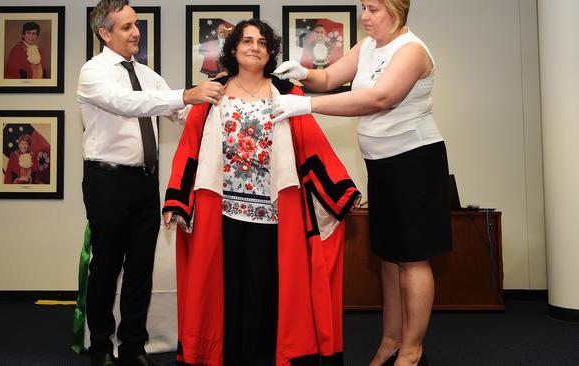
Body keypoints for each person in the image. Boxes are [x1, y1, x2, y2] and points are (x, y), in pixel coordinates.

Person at [162, 19, 360, 366]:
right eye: (247, 40)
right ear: (233, 48)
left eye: (262, 42)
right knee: (226, 290)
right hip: (221, 211)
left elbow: (311, 142)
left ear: (270, 51)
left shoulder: (287, 92)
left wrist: (340, 190)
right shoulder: (212, 92)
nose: (254, 47)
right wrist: (177, 199)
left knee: (268, 288)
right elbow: (190, 147)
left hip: (275, 212)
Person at [272, 1, 451, 365]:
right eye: (363, 8)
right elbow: (329, 78)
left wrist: (308, 106)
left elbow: (380, 98)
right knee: (389, 256)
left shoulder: (412, 50)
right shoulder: (368, 45)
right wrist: (303, 74)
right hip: (381, 164)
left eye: (373, 9)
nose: (364, 17)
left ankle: (412, 351)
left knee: (412, 259)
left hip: (414, 160)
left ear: (396, 10)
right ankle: (390, 340)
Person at [77, 1, 224, 366]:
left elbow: (181, 114)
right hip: (107, 180)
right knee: (107, 266)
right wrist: (185, 94)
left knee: (141, 268)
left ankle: (132, 346)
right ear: (105, 33)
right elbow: (126, 103)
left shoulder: (148, 75)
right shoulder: (93, 72)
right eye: (126, 27)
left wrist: (225, 101)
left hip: (145, 182)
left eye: (136, 25)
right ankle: (99, 345)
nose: (136, 32)